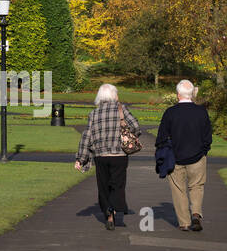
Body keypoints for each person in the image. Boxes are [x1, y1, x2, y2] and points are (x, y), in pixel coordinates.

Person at [75, 83, 144, 230]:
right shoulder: (121, 109)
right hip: (119, 154)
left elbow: (87, 135)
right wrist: (129, 136)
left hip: (100, 155)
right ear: (114, 95)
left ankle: (108, 213)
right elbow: (136, 127)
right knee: (117, 184)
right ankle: (114, 205)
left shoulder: (94, 114)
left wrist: (80, 158)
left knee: (103, 185)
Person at [155, 79, 212, 232]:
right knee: (197, 187)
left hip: (175, 157)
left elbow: (161, 138)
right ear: (192, 94)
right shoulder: (201, 112)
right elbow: (208, 137)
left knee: (178, 190)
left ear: (178, 95)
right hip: (198, 156)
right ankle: (196, 213)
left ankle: (184, 222)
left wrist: (164, 150)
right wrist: (204, 150)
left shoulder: (170, 112)